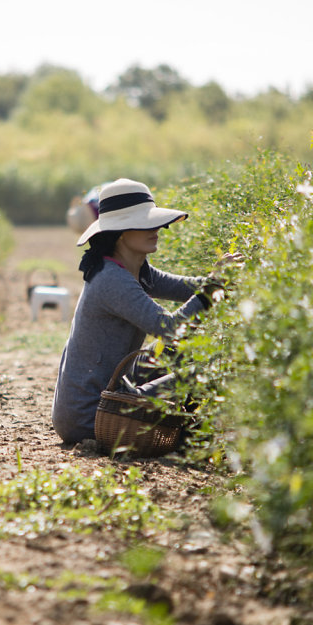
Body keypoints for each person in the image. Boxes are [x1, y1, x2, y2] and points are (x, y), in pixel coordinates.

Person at [51, 178, 234, 444]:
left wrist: (227, 281)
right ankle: (191, 439)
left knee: (180, 355)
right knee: (202, 371)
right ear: (121, 232)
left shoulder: (134, 268)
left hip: (109, 395)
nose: (156, 229)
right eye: (145, 223)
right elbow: (171, 329)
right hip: (89, 417)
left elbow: (188, 287)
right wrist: (212, 290)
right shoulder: (111, 278)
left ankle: (189, 434)